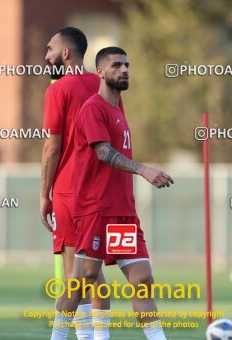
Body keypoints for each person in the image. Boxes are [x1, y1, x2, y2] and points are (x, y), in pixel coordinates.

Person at [50, 46, 174, 340]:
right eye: (117, 65)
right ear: (101, 73)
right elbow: (103, 152)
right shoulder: (93, 108)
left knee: (142, 279)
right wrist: (143, 169)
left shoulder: (118, 109)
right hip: (96, 210)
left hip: (122, 212)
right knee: (81, 282)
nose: (125, 69)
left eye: (127, 65)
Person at [40, 27, 110, 340]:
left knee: (76, 275)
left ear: (66, 53)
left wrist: (44, 194)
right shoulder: (103, 85)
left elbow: (52, 147)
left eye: (50, 48)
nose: (46, 55)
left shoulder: (58, 90)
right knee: (92, 273)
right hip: (102, 194)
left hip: (70, 192)